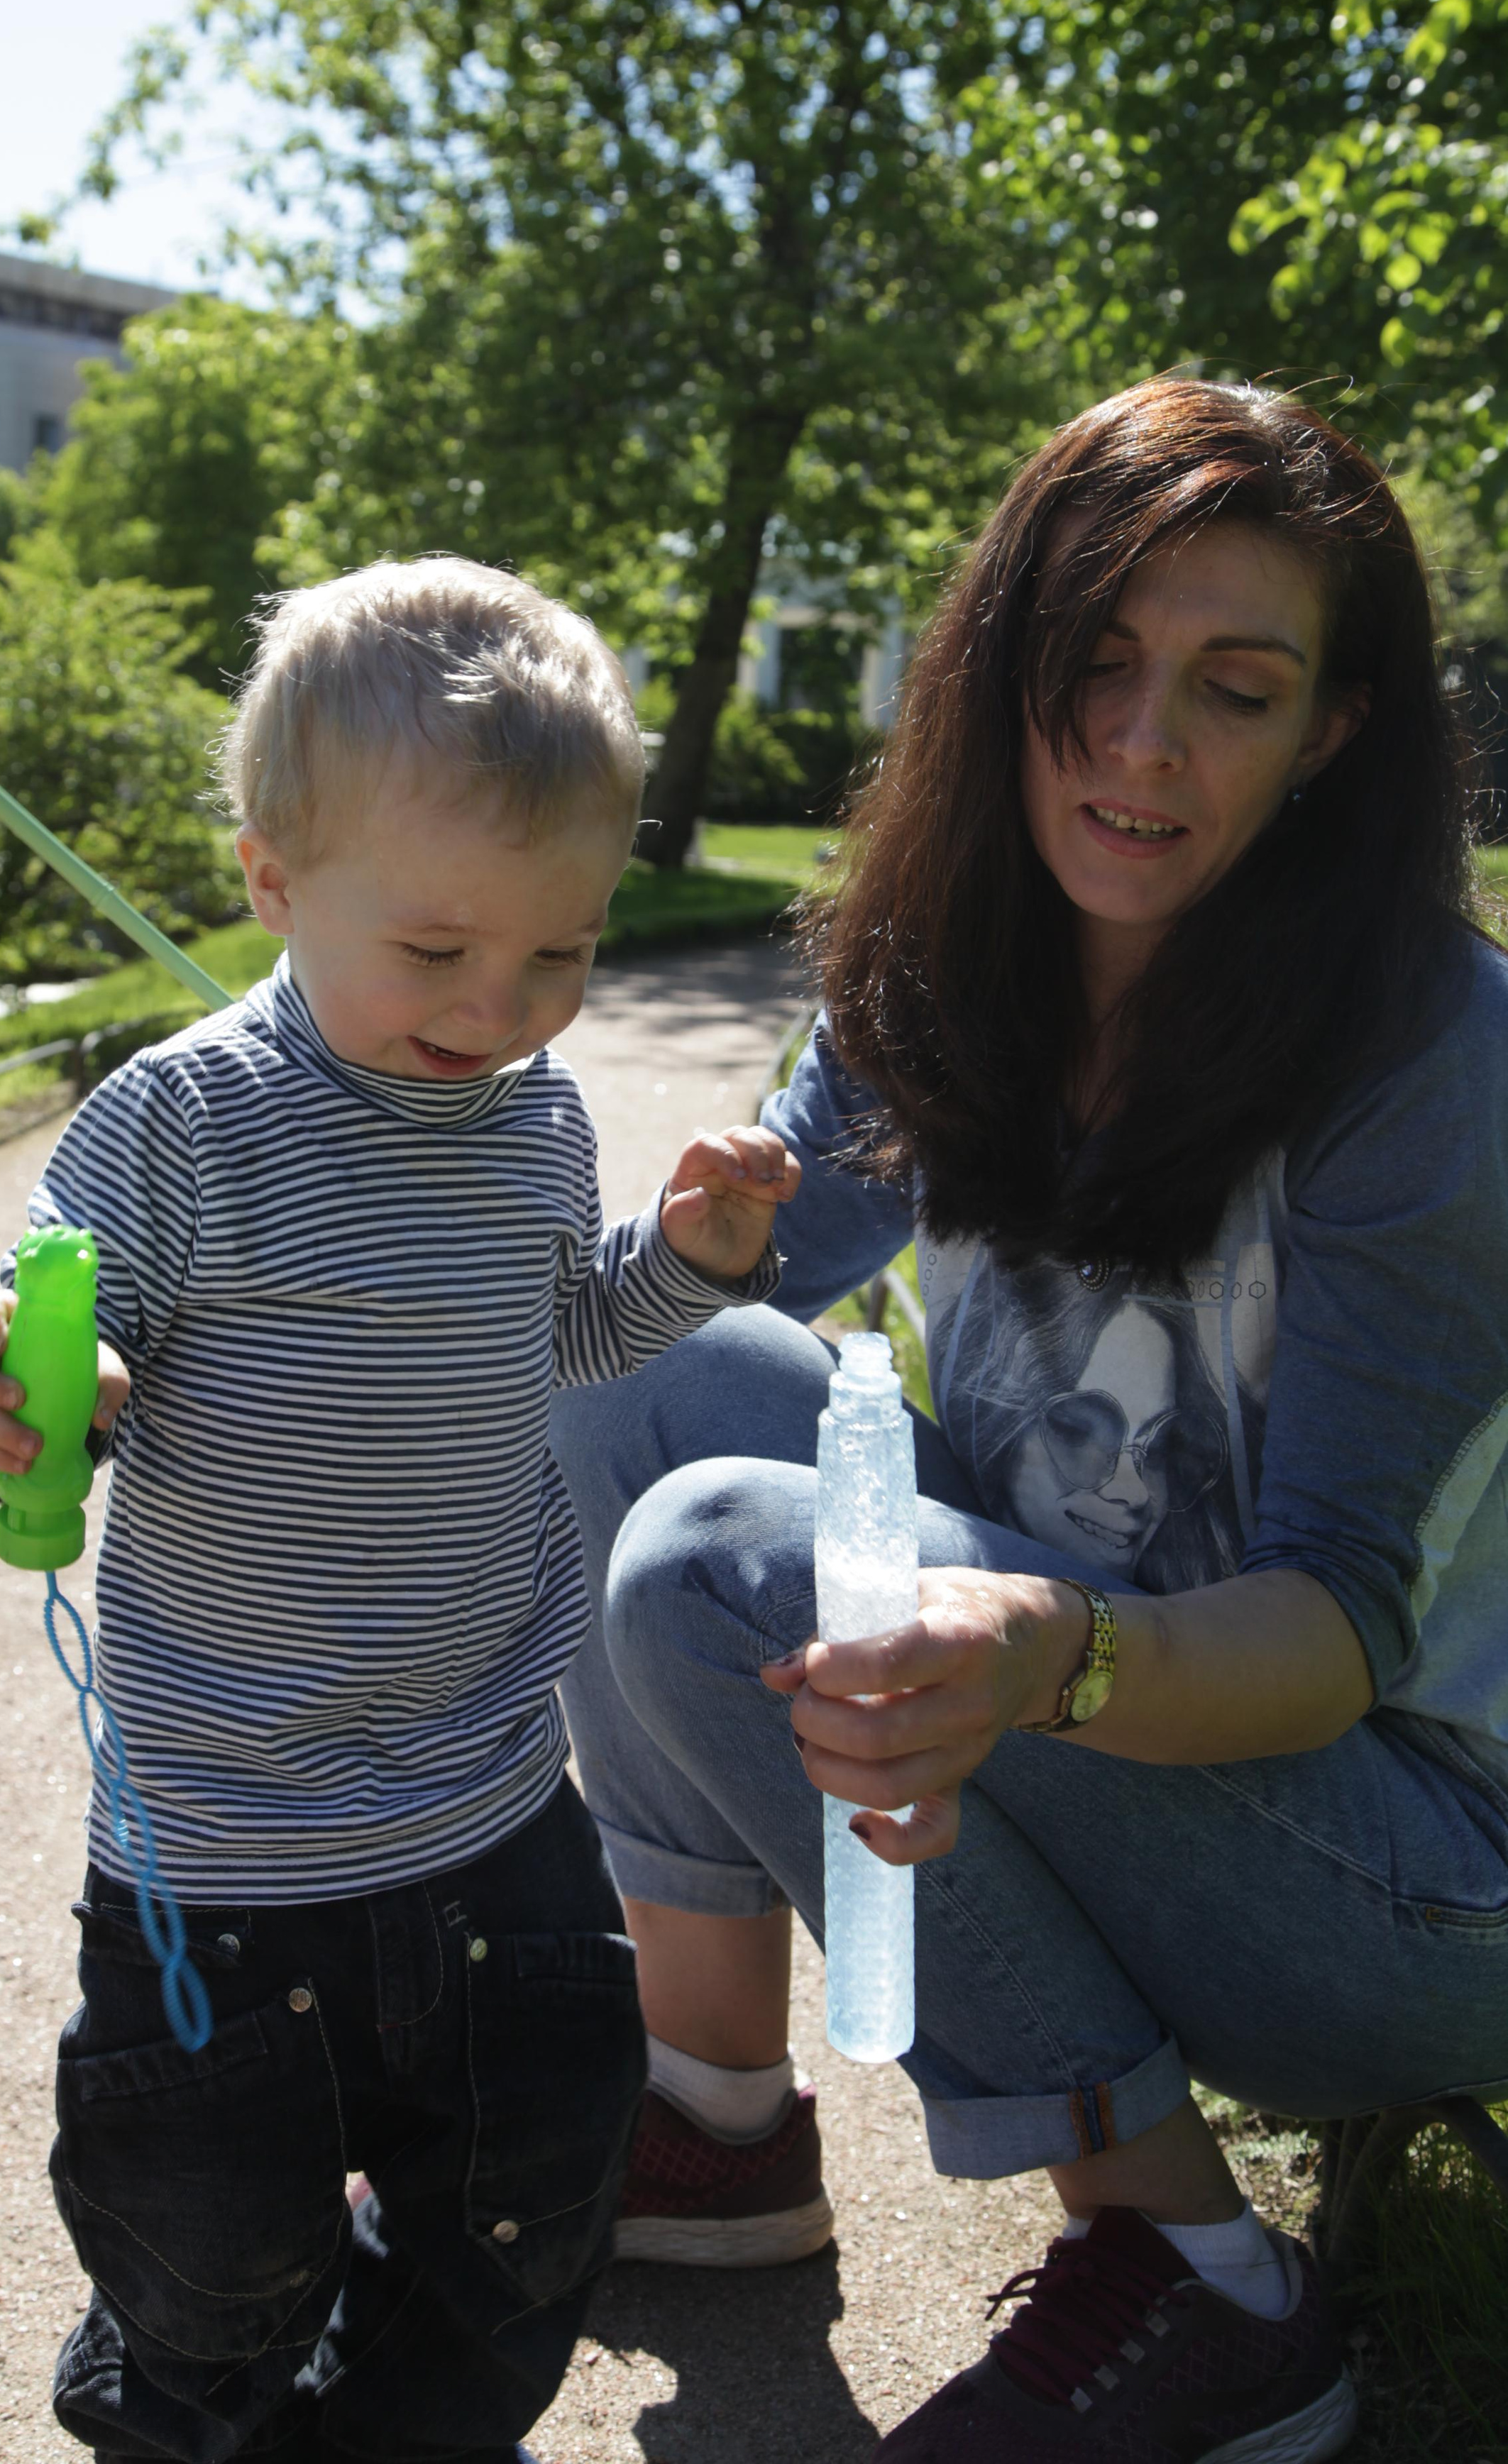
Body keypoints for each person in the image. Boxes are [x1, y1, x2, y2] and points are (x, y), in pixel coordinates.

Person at [552, 380, 1508, 2461]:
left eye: (1232, 690)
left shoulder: (1424, 1048)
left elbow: (1340, 1628)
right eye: (1096, 665)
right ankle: (712, 2123)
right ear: (1009, 665)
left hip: (1413, 1872)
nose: (1143, 745)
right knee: (634, 1394)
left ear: (1330, 732)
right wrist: (178, 1356)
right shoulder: (952, 962)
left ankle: (1203, 2281)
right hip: (1090, 1704)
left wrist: (1047, 1658)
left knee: (726, 1559)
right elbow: (641, 1320)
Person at [0, 558, 800, 2464]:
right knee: (215, 2258)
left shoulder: (534, 1118)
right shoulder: (179, 1124)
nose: (503, 1009)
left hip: (498, 1800)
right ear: (271, 880)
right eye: (438, 954)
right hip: (231, 1856)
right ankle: (178, 2394)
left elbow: (561, 1329)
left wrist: (683, 1263)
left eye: (562, 955)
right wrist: (28, 1403)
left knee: (534, 2195)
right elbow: (40, 1376)